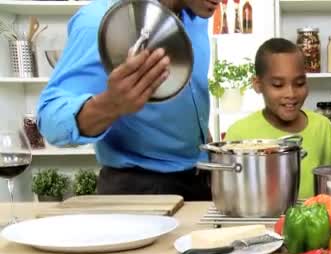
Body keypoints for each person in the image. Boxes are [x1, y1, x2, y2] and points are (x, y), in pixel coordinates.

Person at [36, 0, 221, 201]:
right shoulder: (100, 21)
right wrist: (110, 104)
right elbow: (49, 118)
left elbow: (186, 97)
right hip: (141, 190)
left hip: (200, 180)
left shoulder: (196, 17)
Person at [224, 38, 331, 199]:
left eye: (299, 83)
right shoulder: (239, 133)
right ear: (258, 84)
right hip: (256, 223)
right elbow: (231, 194)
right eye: (278, 85)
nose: (291, 94)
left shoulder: (323, 126)